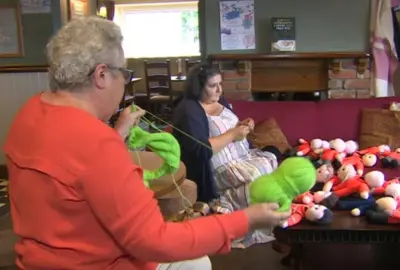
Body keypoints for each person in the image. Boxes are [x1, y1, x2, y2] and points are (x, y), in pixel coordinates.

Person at [2, 17, 290, 270]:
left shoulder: (28, 114)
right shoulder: (96, 145)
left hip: (37, 260)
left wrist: (118, 132)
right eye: (124, 74)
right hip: (96, 264)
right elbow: (156, 241)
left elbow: (73, 171)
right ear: (101, 75)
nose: (124, 84)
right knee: (198, 263)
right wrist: (246, 220)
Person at [172, 64, 279, 248]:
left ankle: (270, 215)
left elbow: (231, 126)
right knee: (255, 179)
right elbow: (201, 149)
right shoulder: (190, 110)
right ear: (198, 87)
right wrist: (233, 135)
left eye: (220, 84)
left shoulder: (220, 100)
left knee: (272, 161)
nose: (220, 90)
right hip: (221, 166)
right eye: (213, 86)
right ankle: (231, 208)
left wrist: (243, 125)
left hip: (242, 156)